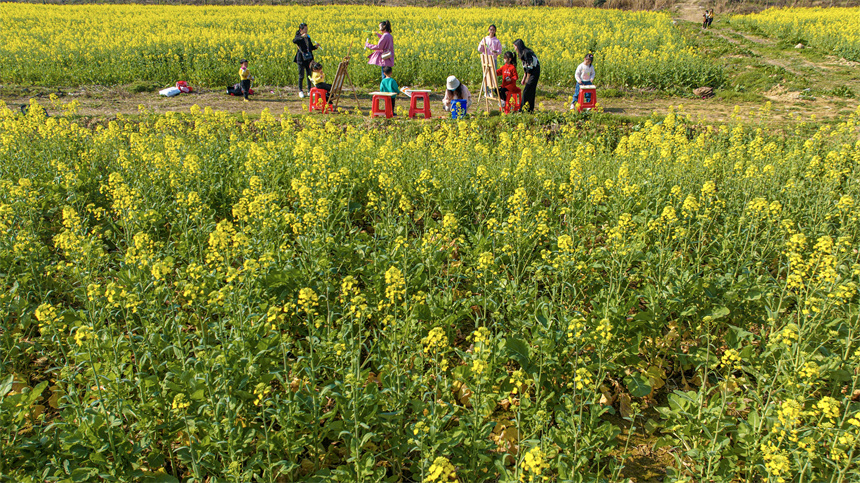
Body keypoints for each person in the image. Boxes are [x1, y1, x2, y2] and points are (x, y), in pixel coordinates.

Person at [293, 23, 320, 98]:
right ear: (301, 30)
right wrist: (302, 37)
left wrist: (316, 46)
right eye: (305, 29)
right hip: (301, 59)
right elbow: (294, 40)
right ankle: (300, 91)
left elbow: (310, 47)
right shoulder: (298, 36)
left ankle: (309, 90)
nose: (306, 31)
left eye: (307, 29)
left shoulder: (308, 37)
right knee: (301, 75)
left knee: (309, 75)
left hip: (308, 59)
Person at [513, 39, 540, 113]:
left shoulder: (526, 53)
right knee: (530, 90)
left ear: (518, 46)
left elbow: (530, 67)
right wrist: (523, 78)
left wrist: (527, 79)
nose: (515, 49)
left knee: (527, 91)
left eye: (515, 47)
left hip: (534, 71)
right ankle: (529, 109)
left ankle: (523, 109)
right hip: (530, 71)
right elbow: (525, 66)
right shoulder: (522, 53)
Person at [478, 24, 502, 97]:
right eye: (491, 29)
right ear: (488, 30)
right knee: (485, 75)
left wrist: (496, 52)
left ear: (495, 31)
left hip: (493, 59)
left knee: (492, 75)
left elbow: (500, 51)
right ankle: (486, 91)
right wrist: (482, 45)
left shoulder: (497, 41)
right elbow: (479, 49)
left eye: (493, 30)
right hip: (485, 59)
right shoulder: (485, 39)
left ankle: (492, 91)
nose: (492, 31)